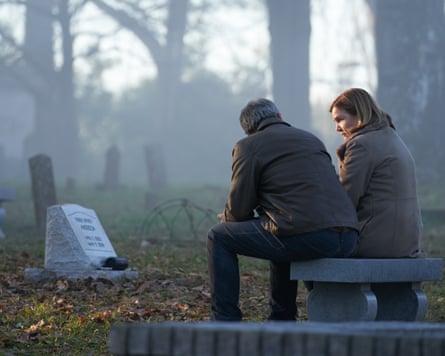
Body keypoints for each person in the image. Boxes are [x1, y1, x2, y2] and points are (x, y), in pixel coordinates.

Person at [207, 98, 359, 321]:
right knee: (278, 229)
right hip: (347, 235)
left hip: (309, 235)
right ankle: (280, 318)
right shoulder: (311, 140)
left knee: (218, 237)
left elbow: (239, 209)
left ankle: (224, 320)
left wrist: (227, 217)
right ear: (279, 117)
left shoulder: (248, 146)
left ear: (249, 130)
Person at [329, 88, 423, 258]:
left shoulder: (361, 145)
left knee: (308, 244)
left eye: (340, 120)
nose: (337, 128)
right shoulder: (390, 135)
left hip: (376, 240)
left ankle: (319, 287)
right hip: (406, 240)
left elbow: (346, 201)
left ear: (359, 115)